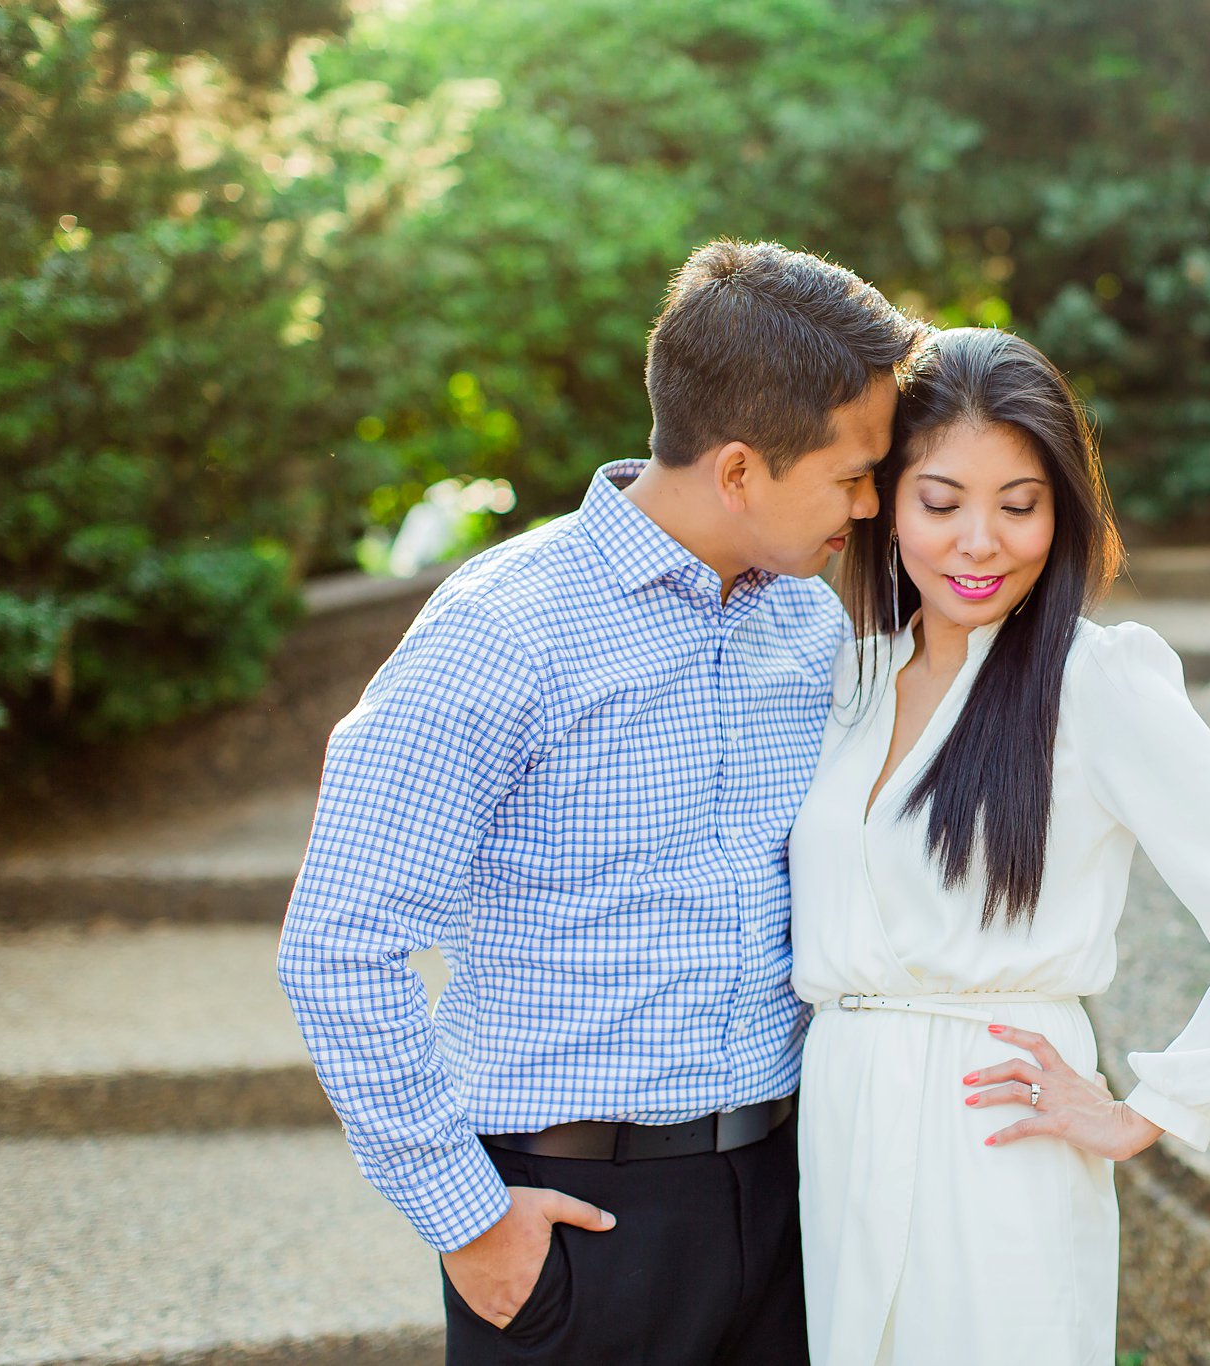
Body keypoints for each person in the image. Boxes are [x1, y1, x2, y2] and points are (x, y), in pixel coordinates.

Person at [277, 239, 921, 1365]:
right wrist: (467, 1219)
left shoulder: (807, 627)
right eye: (852, 473)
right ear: (737, 471)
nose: (871, 507)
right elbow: (339, 944)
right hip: (573, 1222)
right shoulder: (501, 632)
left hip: (782, 1201)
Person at [788, 327, 1210, 1365]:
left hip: (994, 1129)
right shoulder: (849, 680)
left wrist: (1153, 1108)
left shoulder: (1094, 681)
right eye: (941, 501)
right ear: (887, 503)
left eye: (1019, 504)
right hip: (838, 1122)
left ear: (1061, 511)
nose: (979, 542)